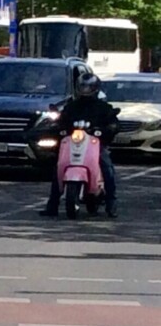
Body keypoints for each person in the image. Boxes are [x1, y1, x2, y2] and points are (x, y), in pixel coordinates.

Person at [39, 73, 119, 218]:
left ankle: (111, 203)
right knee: (59, 166)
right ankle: (52, 205)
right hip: (73, 142)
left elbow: (113, 122)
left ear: (95, 88)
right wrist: (58, 128)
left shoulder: (103, 107)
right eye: (83, 86)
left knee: (106, 165)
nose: (86, 90)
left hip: (95, 144)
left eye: (89, 87)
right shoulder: (72, 106)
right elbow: (61, 120)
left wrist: (108, 128)